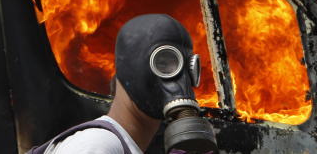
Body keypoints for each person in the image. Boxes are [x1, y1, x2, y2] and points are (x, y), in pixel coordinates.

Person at [29, 14, 216, 154]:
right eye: (163, 63)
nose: (181, 80)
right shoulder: (98, 144)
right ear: (129, 70)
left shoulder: (120, 146)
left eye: (188, 69)